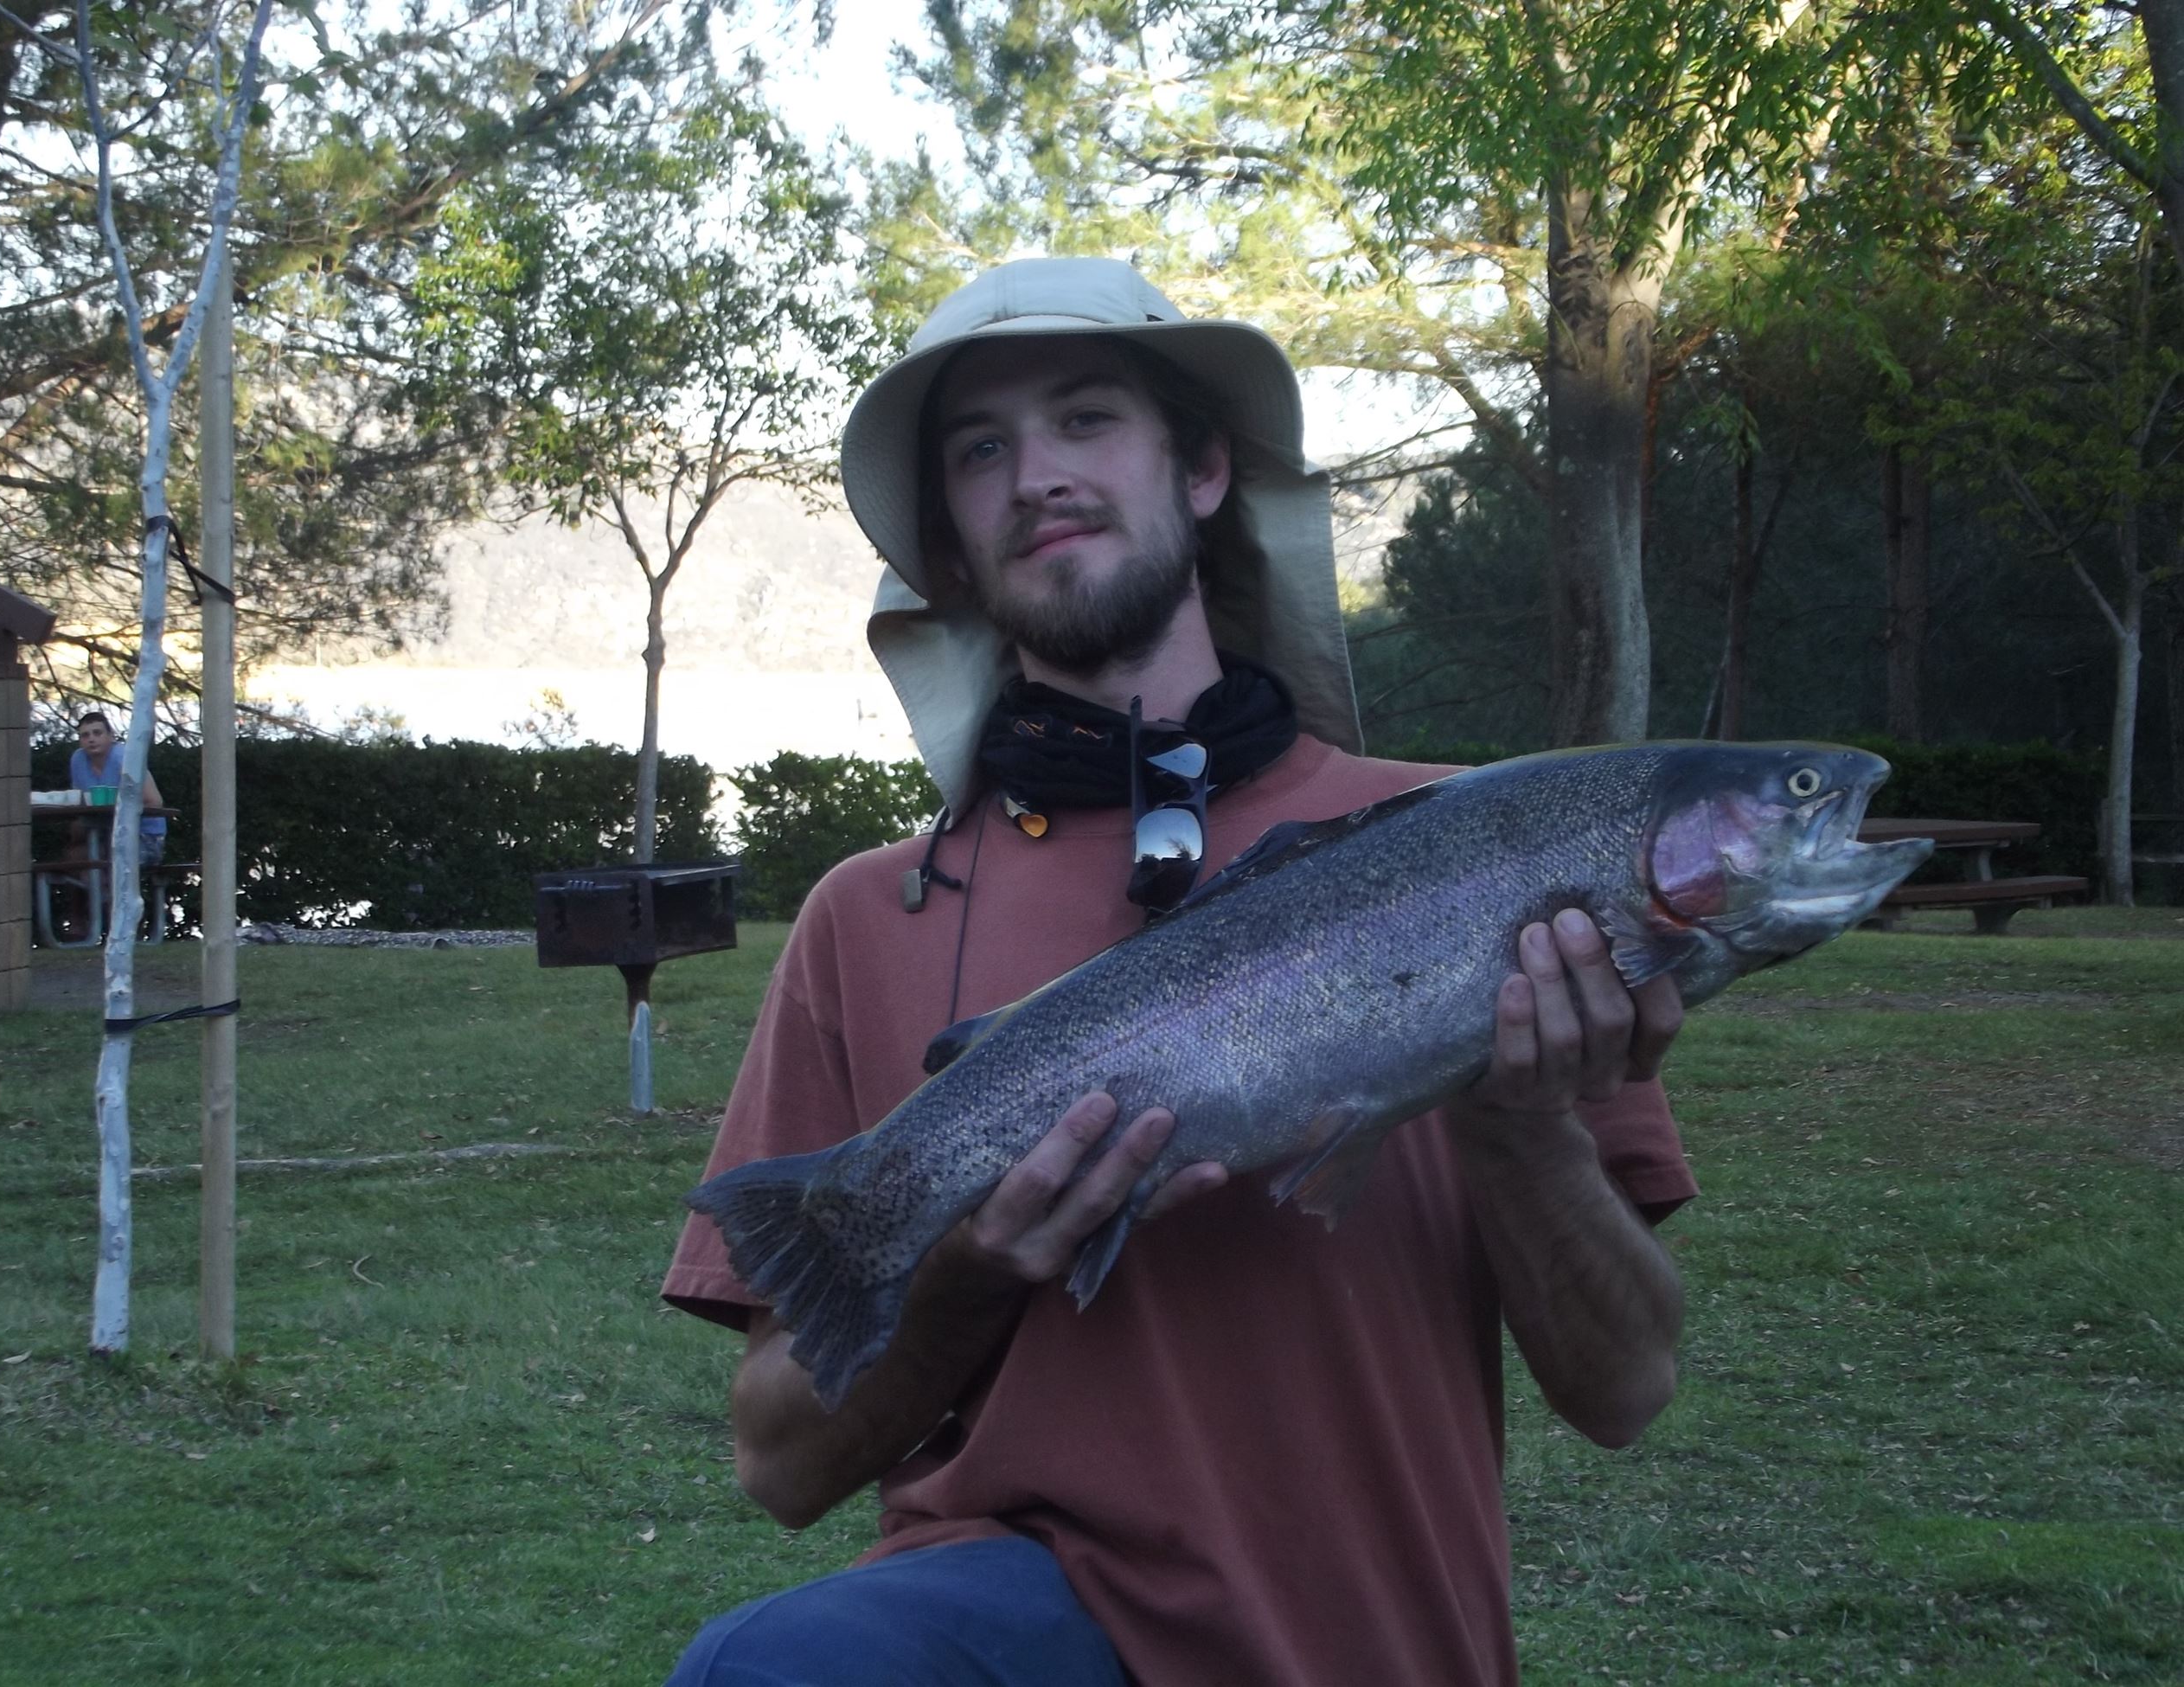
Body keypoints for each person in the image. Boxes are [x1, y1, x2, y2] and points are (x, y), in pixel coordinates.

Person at [661, 258, 1695, 1687]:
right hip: (1014, 1630)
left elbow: (1628, 1389)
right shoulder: (864, 917)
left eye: (1087, 419)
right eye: (980, 450)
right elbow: (777, 1461)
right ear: (950, 545)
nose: (1036, 475)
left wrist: (1515, 1125)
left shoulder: (1484, 847)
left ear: (1205, 467)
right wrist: (967, 1268)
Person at [69, 710, 168, 866]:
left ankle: (105, 889)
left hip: (144, 837)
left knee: (108, 862)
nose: (92, 739)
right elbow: (79, 802)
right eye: (85, 735)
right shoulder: (78, 760)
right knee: (74, 859)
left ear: (111, 735)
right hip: (104, 834)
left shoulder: (125, 758)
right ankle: (97, 889)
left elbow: (155, 802)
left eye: (97, 733)